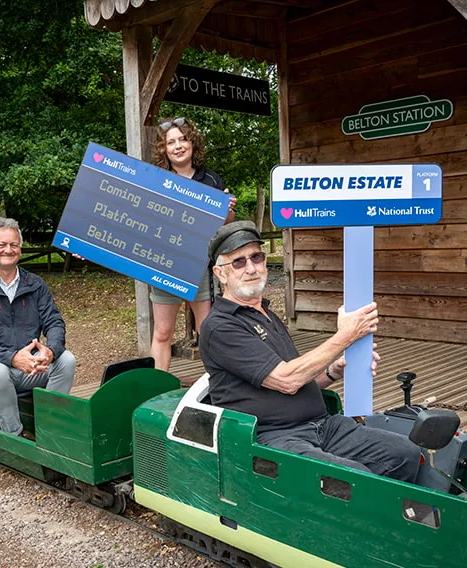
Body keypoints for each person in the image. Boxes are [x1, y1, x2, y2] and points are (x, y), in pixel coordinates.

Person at [199, 221, 420, 483]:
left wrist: (332, 370)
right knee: (355, 480)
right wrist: (346, 336)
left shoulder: (265, 314)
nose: (251, 268)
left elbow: (299, 377)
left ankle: (384, 519)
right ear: (220, 273)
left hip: (323, 426)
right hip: (274, 436)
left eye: (256, 257)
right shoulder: (219, 327)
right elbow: (287, 380)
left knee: (404, 453)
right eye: (238, 262)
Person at [0, 217, 76, 435]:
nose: (8, 250)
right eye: (1, 245)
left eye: (13, 245)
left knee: (66, 359)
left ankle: (50, 428)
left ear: (20, 249)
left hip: (32, 366)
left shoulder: (35, 284)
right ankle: (14, 433)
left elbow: (54, 321)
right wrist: (12, 358)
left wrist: (50, 351)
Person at [149, 117, 236, 371]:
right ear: (164, 149)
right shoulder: (155, 179)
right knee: (162, 333)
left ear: (192, 143)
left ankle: (216, 387)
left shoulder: (210, 179)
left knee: (206, 332)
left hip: (199, 266)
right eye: (171, 142)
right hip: (164, 265)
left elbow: (225, 224)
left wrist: (228, 208)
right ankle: (158, 390)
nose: (178, 146)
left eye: (183, 140)